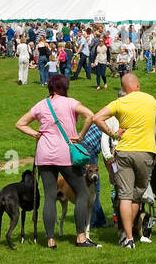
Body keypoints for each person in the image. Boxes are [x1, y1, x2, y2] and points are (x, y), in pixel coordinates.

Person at [92, 73, 156, 249]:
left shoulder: (119, 102)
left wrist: (112, 133)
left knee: (124, 195)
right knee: (137, 194)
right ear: (138, 85)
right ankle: (130, 233)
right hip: (145, 152)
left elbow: (97, 118)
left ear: (124, 88)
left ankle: (127, 237)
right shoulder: (151, 100)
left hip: (124, 152)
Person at [14, 73, 106, 248]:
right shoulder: (71, 102)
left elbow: (20, 123)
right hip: (66, 154)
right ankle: (80, 237)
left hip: (44, 155)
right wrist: (80, 136)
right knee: (82, 193)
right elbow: (90, 115)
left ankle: (50, 240)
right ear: (65, 87)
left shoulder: (41, 104)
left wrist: (34, 133)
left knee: (49, 196)